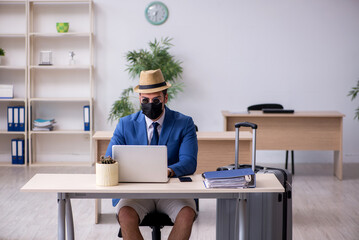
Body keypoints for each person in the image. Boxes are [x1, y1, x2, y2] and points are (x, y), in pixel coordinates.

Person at [105, 69, 198, 240]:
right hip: (137, 192)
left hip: (173, 191)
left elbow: (189, 161)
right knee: (125, 214)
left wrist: (168, 170)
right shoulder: (125, 124)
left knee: (186, 214)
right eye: (145, 100)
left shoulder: (184, 123)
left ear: (166, 98)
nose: (150, 103)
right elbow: (109, 158)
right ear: (139, 99)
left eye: (156, 99)